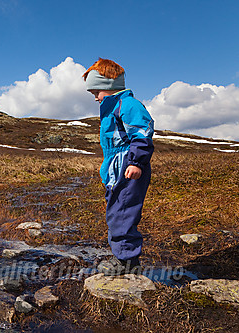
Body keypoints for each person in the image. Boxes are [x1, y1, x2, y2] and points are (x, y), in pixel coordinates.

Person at [82, 58, 154, 275]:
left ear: (109, 86)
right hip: (117, 169)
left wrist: (136, 162)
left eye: (96, 92)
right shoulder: (111, 108)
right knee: (116, 211)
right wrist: (107, 168)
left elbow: (142, 133)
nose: (95, 97)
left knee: (123, 213)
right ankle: (123, 256)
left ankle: (127, 261)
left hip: (129, 168)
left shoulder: (128, 105)